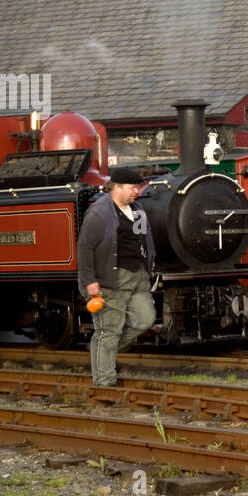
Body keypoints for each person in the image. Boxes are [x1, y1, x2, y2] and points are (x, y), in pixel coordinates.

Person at [77, 166, 156, 387]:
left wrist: (149, 265)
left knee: (145, 319)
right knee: (109, 329)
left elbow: (144, 239)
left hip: (138, 276)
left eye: (138, 188)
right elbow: (84, 248)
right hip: (110, 278)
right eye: (132, 188)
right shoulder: (99, 213)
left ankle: (103, 348)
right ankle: (104, 382)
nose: (137, 192)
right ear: (117, 188)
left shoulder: (138, 209)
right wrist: (90, 281)